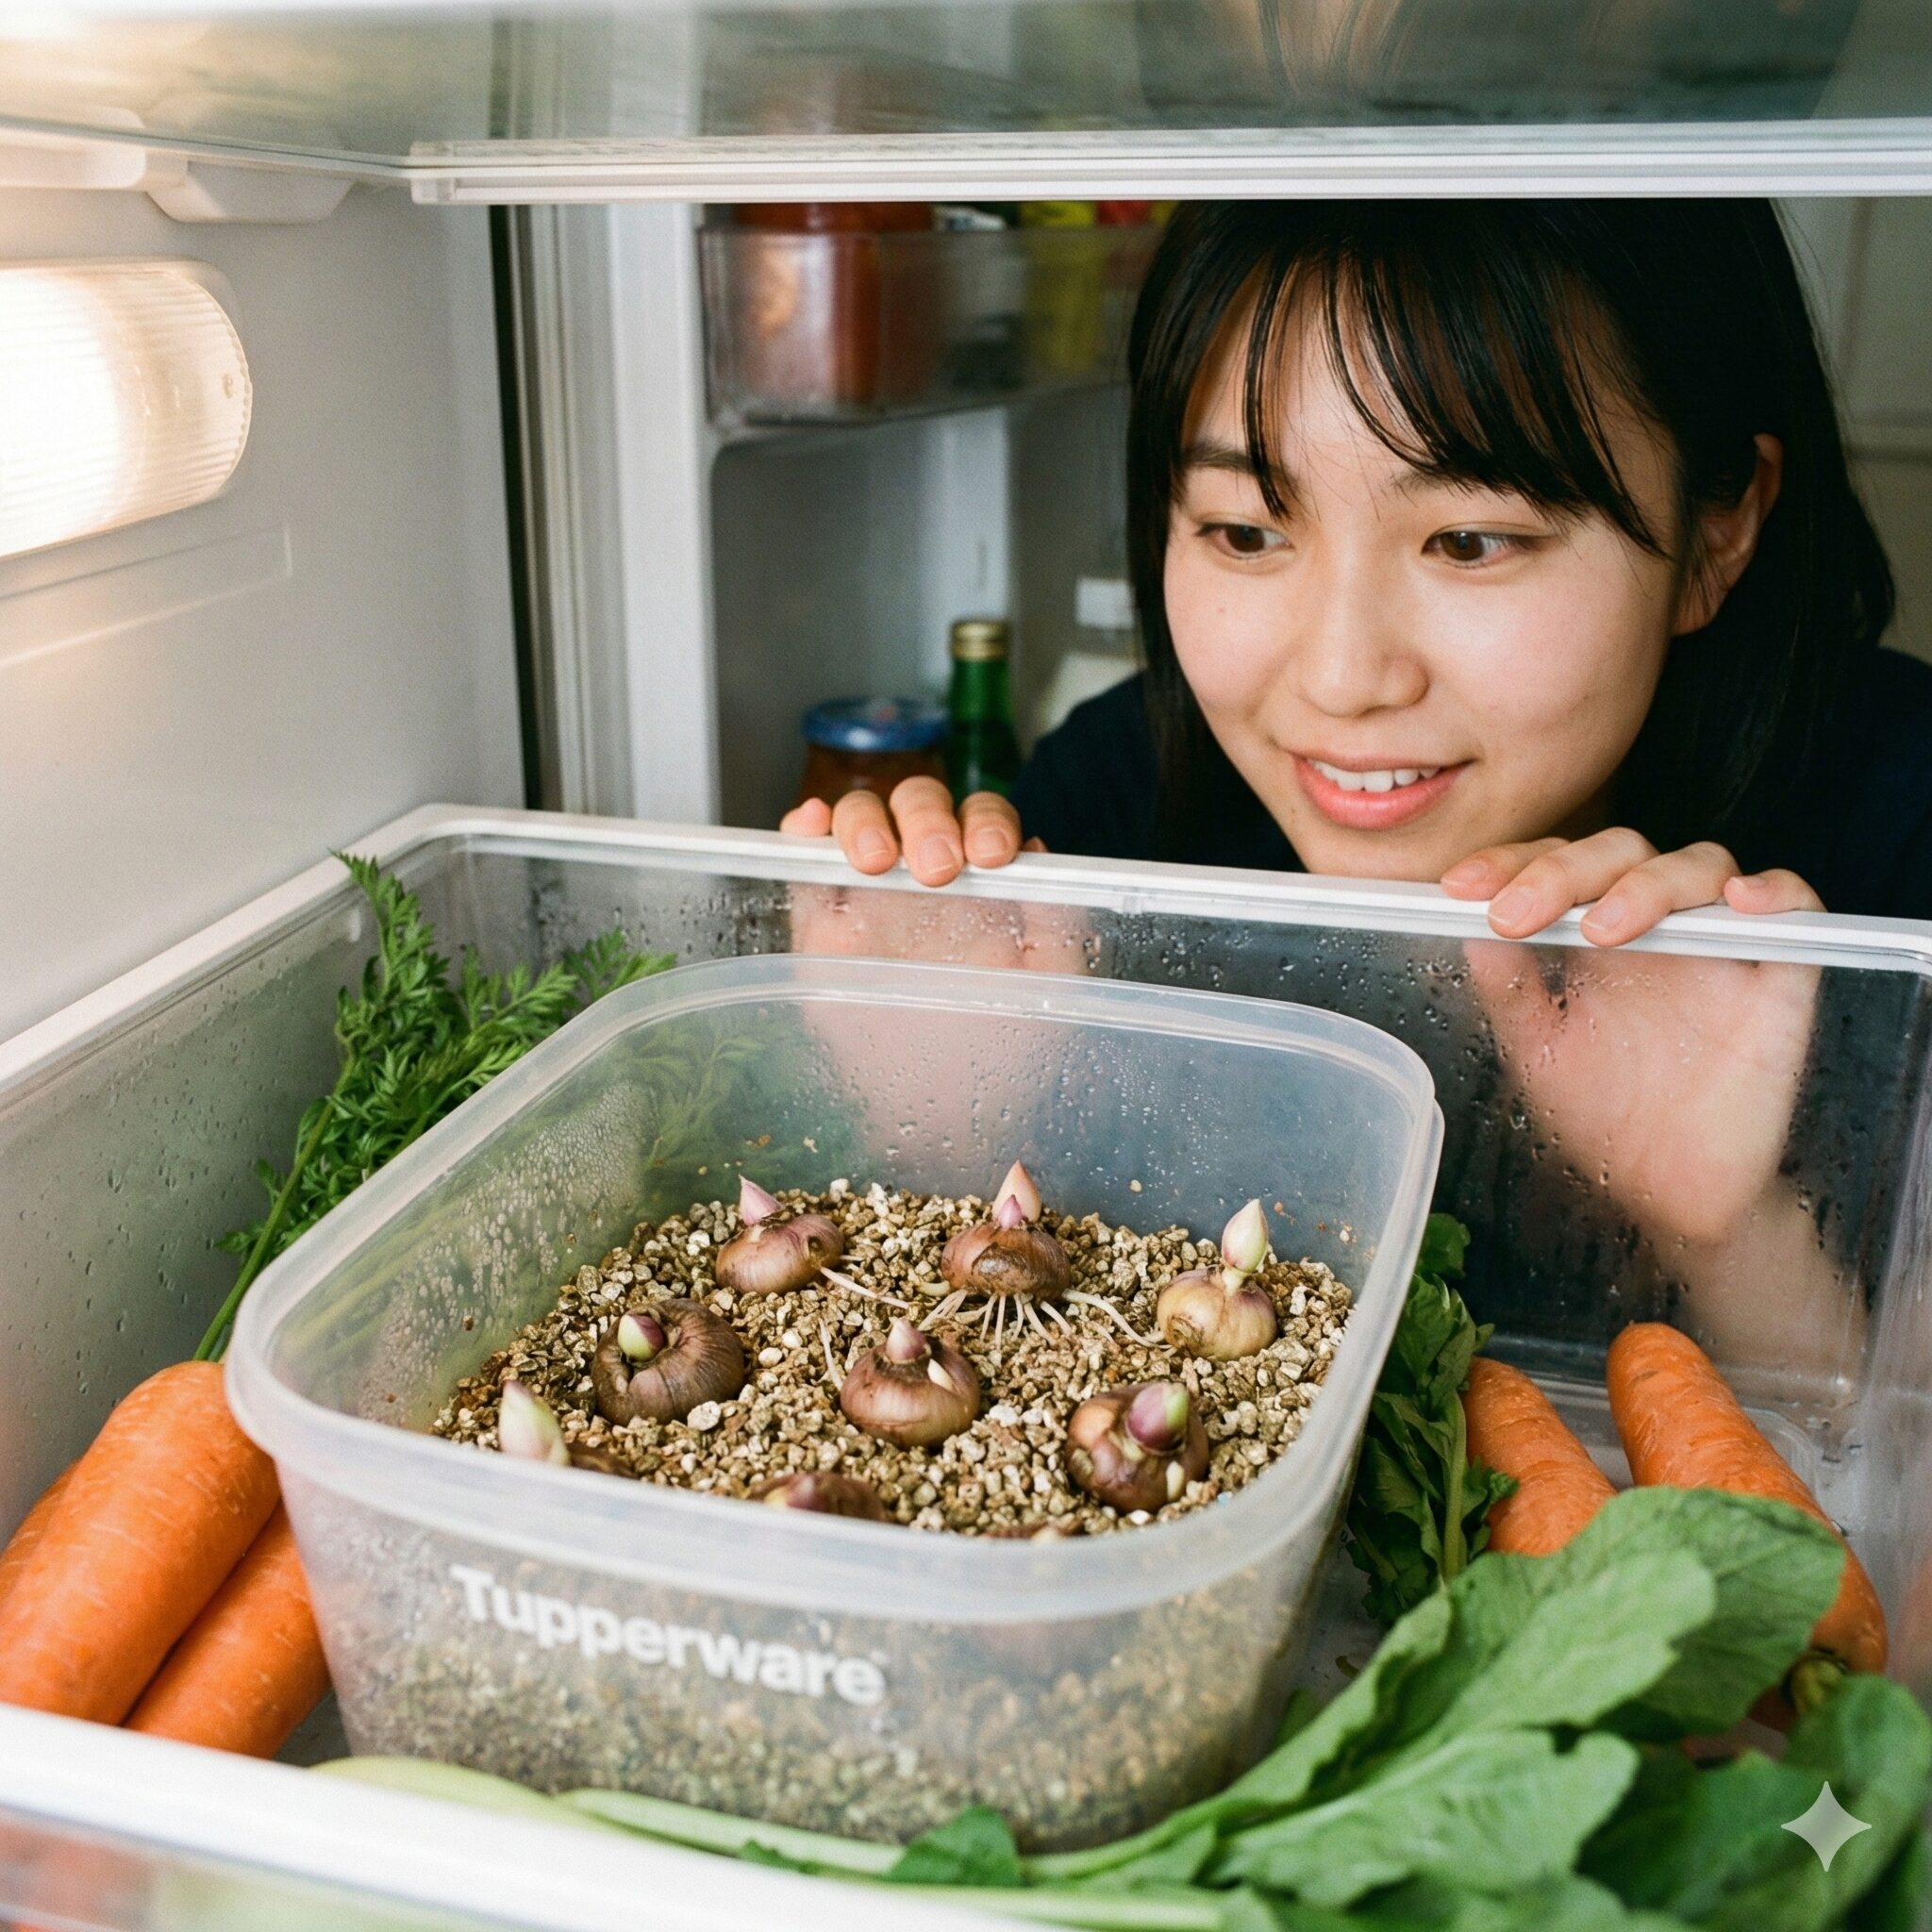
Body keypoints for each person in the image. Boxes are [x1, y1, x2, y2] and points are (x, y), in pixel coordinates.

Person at [782, 199, 1932, 939]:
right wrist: (927, 1082)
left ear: (1718, 527)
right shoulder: (1115, 797)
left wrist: (1747, 1220)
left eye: (1468, 541)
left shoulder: (1900, 825)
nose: (1339, 680)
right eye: (1244, 532)